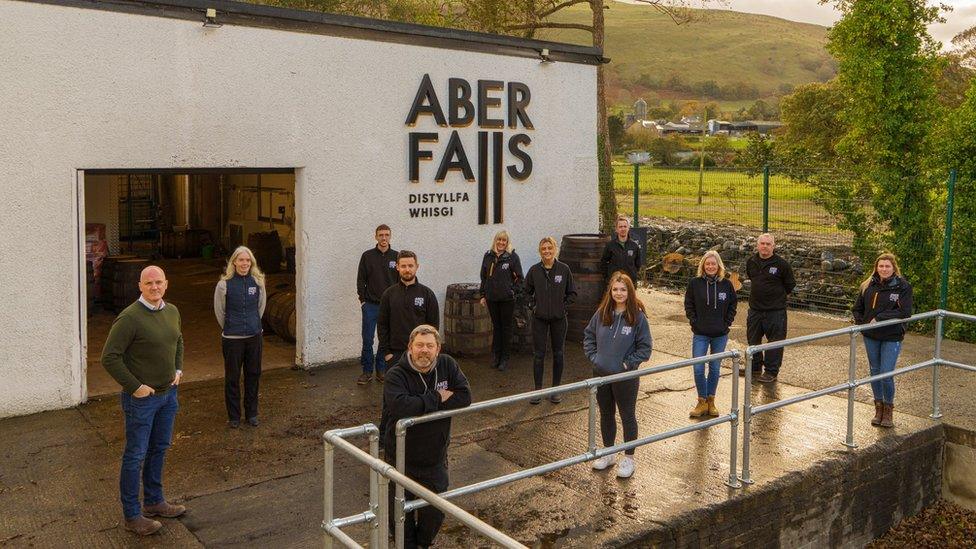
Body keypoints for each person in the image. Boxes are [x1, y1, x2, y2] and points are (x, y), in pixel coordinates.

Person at [101, 266, 185, 536]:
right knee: (135, 455)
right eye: (149, 283)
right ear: (140, 286)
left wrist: (178, 369)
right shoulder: (129, 318)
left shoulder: (171, 311)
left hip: (167, 395)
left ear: (167, 284)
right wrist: (135, 387)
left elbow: (178, 340)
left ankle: (154, 501)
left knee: (159, 448)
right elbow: (109, 357)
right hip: (142, 400)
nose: (154, 287)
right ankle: (132, 515)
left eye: (159, 282)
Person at [383, 325, 471, 549]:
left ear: (438, 348)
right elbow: (400, 407)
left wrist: (420, 404)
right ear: (410, 348)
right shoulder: (396, 374)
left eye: (429, 346)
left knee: (435, 511)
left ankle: (422, 545)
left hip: (435, 458)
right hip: (401, 459)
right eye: (419, 345)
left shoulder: (447, 365)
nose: (424, 351)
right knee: (399, 516)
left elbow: (465, 396)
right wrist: (436, 397)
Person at [583, 272, 652, 479]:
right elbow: (588, 336)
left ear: (629, 291)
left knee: (627, 416)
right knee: (606, 414)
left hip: (624, 378)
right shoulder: (602, 313)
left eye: (623, 289)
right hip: (601, 374)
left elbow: (645, 348)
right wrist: (595, 358)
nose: (619, 293)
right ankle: (609, 453)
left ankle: (629, 458)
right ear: (610, 291)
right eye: (615, 289)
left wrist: (627, 364)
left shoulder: (637, 317)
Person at [377, 250, 440, 448]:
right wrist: (386, 352)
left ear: (416, 267)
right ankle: (384, 439)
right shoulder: (389, 295)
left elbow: (433, 328)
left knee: (419, 395)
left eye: (410, 265)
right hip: (395, 355)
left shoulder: (426, 294)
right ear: (397, 267)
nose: (407, 269)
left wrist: (429, 352)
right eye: (403, 266)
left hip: (420, 357)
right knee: (391, 401)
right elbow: (383, 325)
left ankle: (417, 436)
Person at [853, 253, 913, 428]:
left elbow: (905, 312)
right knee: (875, 372)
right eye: (881, 266)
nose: (884, 269)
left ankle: (888, 409)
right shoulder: (868, 285)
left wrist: (879, 318)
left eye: (887, 266)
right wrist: (861, 323)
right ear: (876, 267)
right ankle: (878, 407)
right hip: (871, 336)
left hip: (891, 335)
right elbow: (857, 308)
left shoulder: (902, 286)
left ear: (894, 268)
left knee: (886, 374)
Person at [214, 246, 267, 428]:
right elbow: (220, 311)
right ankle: (234, 417)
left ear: (251, 262)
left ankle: (251, 413)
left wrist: (252, 325)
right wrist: (231, 326)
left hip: (254, 337)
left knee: (253, 374)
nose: (244, 263)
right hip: (232, 339)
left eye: (248, 260)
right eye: (241, 260)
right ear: (234, 262)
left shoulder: (258, 282)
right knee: (232, 378)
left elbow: (260, 308)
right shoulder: (224, 285)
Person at [684, 251, 737, 418]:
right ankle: (701, 401)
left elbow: (733, 305)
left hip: (720, 334)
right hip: (700, 333)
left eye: (713, 264)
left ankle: (711, 401)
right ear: (703, 266)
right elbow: (688, 304)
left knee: (714, 368)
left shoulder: (726, 285)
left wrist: (726, 322)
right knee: (698, 368)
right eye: (707, 264)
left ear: (719, 266)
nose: (710, 266)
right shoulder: (695, 283)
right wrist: (694, 322)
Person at [524, 236, 577, 404]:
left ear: (555, 250)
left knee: (558, 354)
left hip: (559, 319)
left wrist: (562, 307)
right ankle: (537, 391)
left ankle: (555, 390)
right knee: (538, 355)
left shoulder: (564, 269)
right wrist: (533, 305)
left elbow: (572, 293)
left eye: (549, 248)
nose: (547, 251)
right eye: (543, 249)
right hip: (539, 319)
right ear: (540, 252)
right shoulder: (534, 271)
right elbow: (525, 292)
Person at [744, 233, 795, 383]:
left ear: (773, 246)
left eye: (768, 244)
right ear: (757, 245)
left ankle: (771, 372)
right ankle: (754, 367)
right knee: (753, 340)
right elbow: (752, 278)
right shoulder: (751, 262)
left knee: (775, 343)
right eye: (762, 243)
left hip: (775, 312)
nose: (765, 246)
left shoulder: (782, 264)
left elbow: (790, 285)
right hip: (755, 310)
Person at [357, 224, 398, 385]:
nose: (384, 238)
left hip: (389, 306)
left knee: (384, 339)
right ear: (376, 237)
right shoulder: (367, 256)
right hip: (371, 306)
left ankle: (381, 370)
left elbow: (399, 281)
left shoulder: (396, 256)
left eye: (386, 235)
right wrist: (363, 300)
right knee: (367, 339)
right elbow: (361, 279)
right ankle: (367, 371)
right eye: (381, 235)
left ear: (390, 236)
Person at [479, 230, 523, 371]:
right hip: (492, 298)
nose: (501, 243)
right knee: (496, 327)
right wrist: (483, 295)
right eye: (499, 240)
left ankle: (504, 358)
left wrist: (512, 291)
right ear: (495, 240)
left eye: (504, 240)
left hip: (507, 299)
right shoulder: (488, 256)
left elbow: (520, 278)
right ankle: (496, 356)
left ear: (507, 242)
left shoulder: (512, 257)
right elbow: (483, 277)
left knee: (506, 328)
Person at [601, 216, 642, 287]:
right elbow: (603, 263)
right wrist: (607, 278)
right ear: (616, 229)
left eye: (625, 226)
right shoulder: (610, 245)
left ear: (628, 228)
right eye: (620, 227)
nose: (623, 229)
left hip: (630, 282)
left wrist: (633, 275)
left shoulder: (634, 246)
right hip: (614, 283)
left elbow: (638, 264)